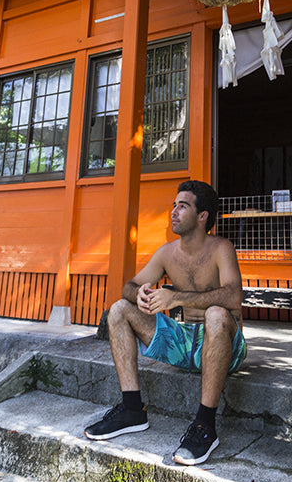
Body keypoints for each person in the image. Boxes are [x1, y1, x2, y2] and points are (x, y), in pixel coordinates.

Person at [83, 179, 246, 466]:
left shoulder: (221, 247)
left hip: (224, 345)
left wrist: (176, 298)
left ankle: (204, 426)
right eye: (174, 205)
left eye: (183, 206)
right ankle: (132, 410)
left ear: (202, 215)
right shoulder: (166, 253)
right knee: (120, 309)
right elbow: (129, 286)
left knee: (217, 314)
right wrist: (140, 293)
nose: (174, 211)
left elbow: (233, 296)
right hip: (184, 344)